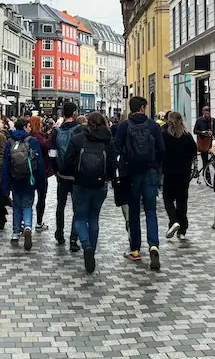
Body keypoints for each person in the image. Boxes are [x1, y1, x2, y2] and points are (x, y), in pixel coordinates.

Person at [114, 95, 166, 270]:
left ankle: (135, 249)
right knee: (151, 210)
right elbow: (161, 149)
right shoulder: (152, 125)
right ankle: (153, 245)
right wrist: (156, 166)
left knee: (134, 212)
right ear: (143, 108)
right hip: (150, 172)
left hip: (132, 174)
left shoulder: (123, 126)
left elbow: (116, 149)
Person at [65, 111, 118, 273]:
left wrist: (75, 174)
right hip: (99, 185)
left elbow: (68, 161)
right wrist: (108, 178)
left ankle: (86, 245)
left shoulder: (78, 139)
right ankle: (91, 251)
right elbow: (113, 163)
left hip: (80, 184)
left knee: (80, 217)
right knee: (94, 218)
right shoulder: (108, 140)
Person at [1, 116, 44, 250]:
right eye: (29, 126)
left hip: (14, 179)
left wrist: (5, 185)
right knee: (27, 205)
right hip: (29, 179)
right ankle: (27, 226)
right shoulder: (32, 141)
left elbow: (5, 165)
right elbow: (39, 164)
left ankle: (15, 233)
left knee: (17, 206)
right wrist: (41, 183)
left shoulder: (9, 142)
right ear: (25, 127)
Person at [161, 111, 196, 239]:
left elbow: (160, 151)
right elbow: (193, 151)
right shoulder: (187, 135)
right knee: (182, 200)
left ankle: (173, 220)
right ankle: (182, 229)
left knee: (168, 199)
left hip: (169, 172)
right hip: (184, 172)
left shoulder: (164, 135)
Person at [53, 103, 82, 250]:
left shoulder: (57, 131)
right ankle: (73, 239)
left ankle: (59, 233)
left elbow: (52, 153)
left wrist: (56, 169)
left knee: (61, 205)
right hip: (76, 175)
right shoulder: (79, 130)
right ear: (75, 113)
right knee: (77, 207)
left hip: (62, 174)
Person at [28, 115, 53, 232]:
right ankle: (38, 221)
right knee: (41, 196)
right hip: (40, 170)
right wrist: (52, 136)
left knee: (29, 197)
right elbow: (47, 145)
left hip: (29, 170)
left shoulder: (28, 137)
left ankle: (26, 222)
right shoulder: (37, 137)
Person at [194, 105, 215, 173]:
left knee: (214, 159)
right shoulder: (199, 120)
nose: (207, 115)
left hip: (212, 142)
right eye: (205, 113)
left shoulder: (213, 120)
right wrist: (202, 132)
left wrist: (212, 132)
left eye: (208, 113)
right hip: (203, 143)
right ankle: (207, 176)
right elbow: (195, 131)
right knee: (204, 160)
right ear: (203, 112)